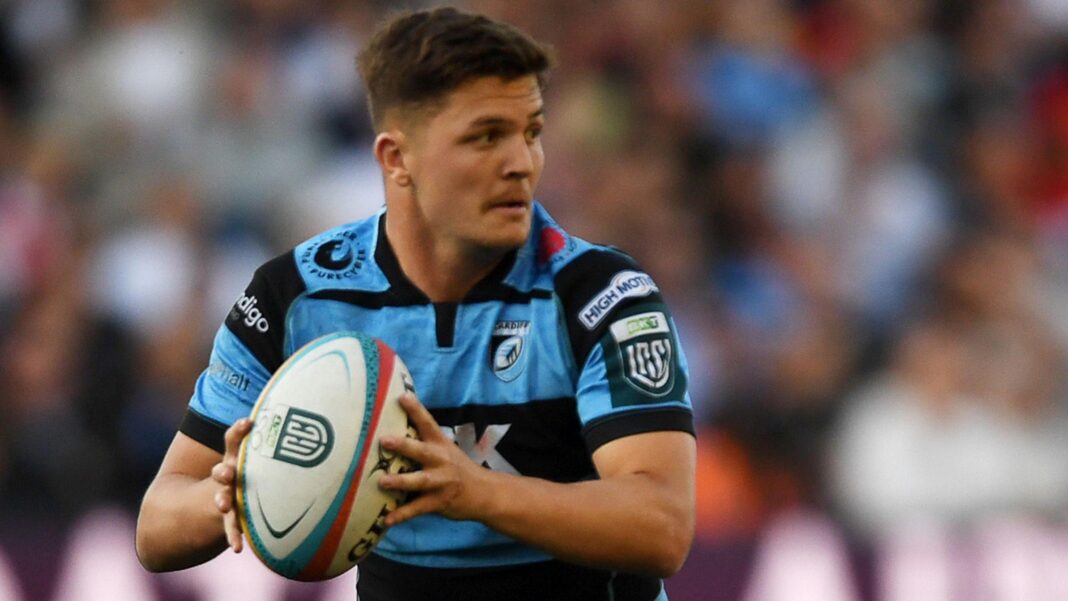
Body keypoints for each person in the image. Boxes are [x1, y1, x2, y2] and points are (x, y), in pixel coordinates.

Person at [135, 7, 696, 600]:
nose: (521, 163)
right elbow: (157, 527)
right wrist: (242, 489)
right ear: (396, 158)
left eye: (531, 132)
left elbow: (662, 526)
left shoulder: (600, 295)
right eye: (486, 137)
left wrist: (475, 492)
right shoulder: (295, 298)